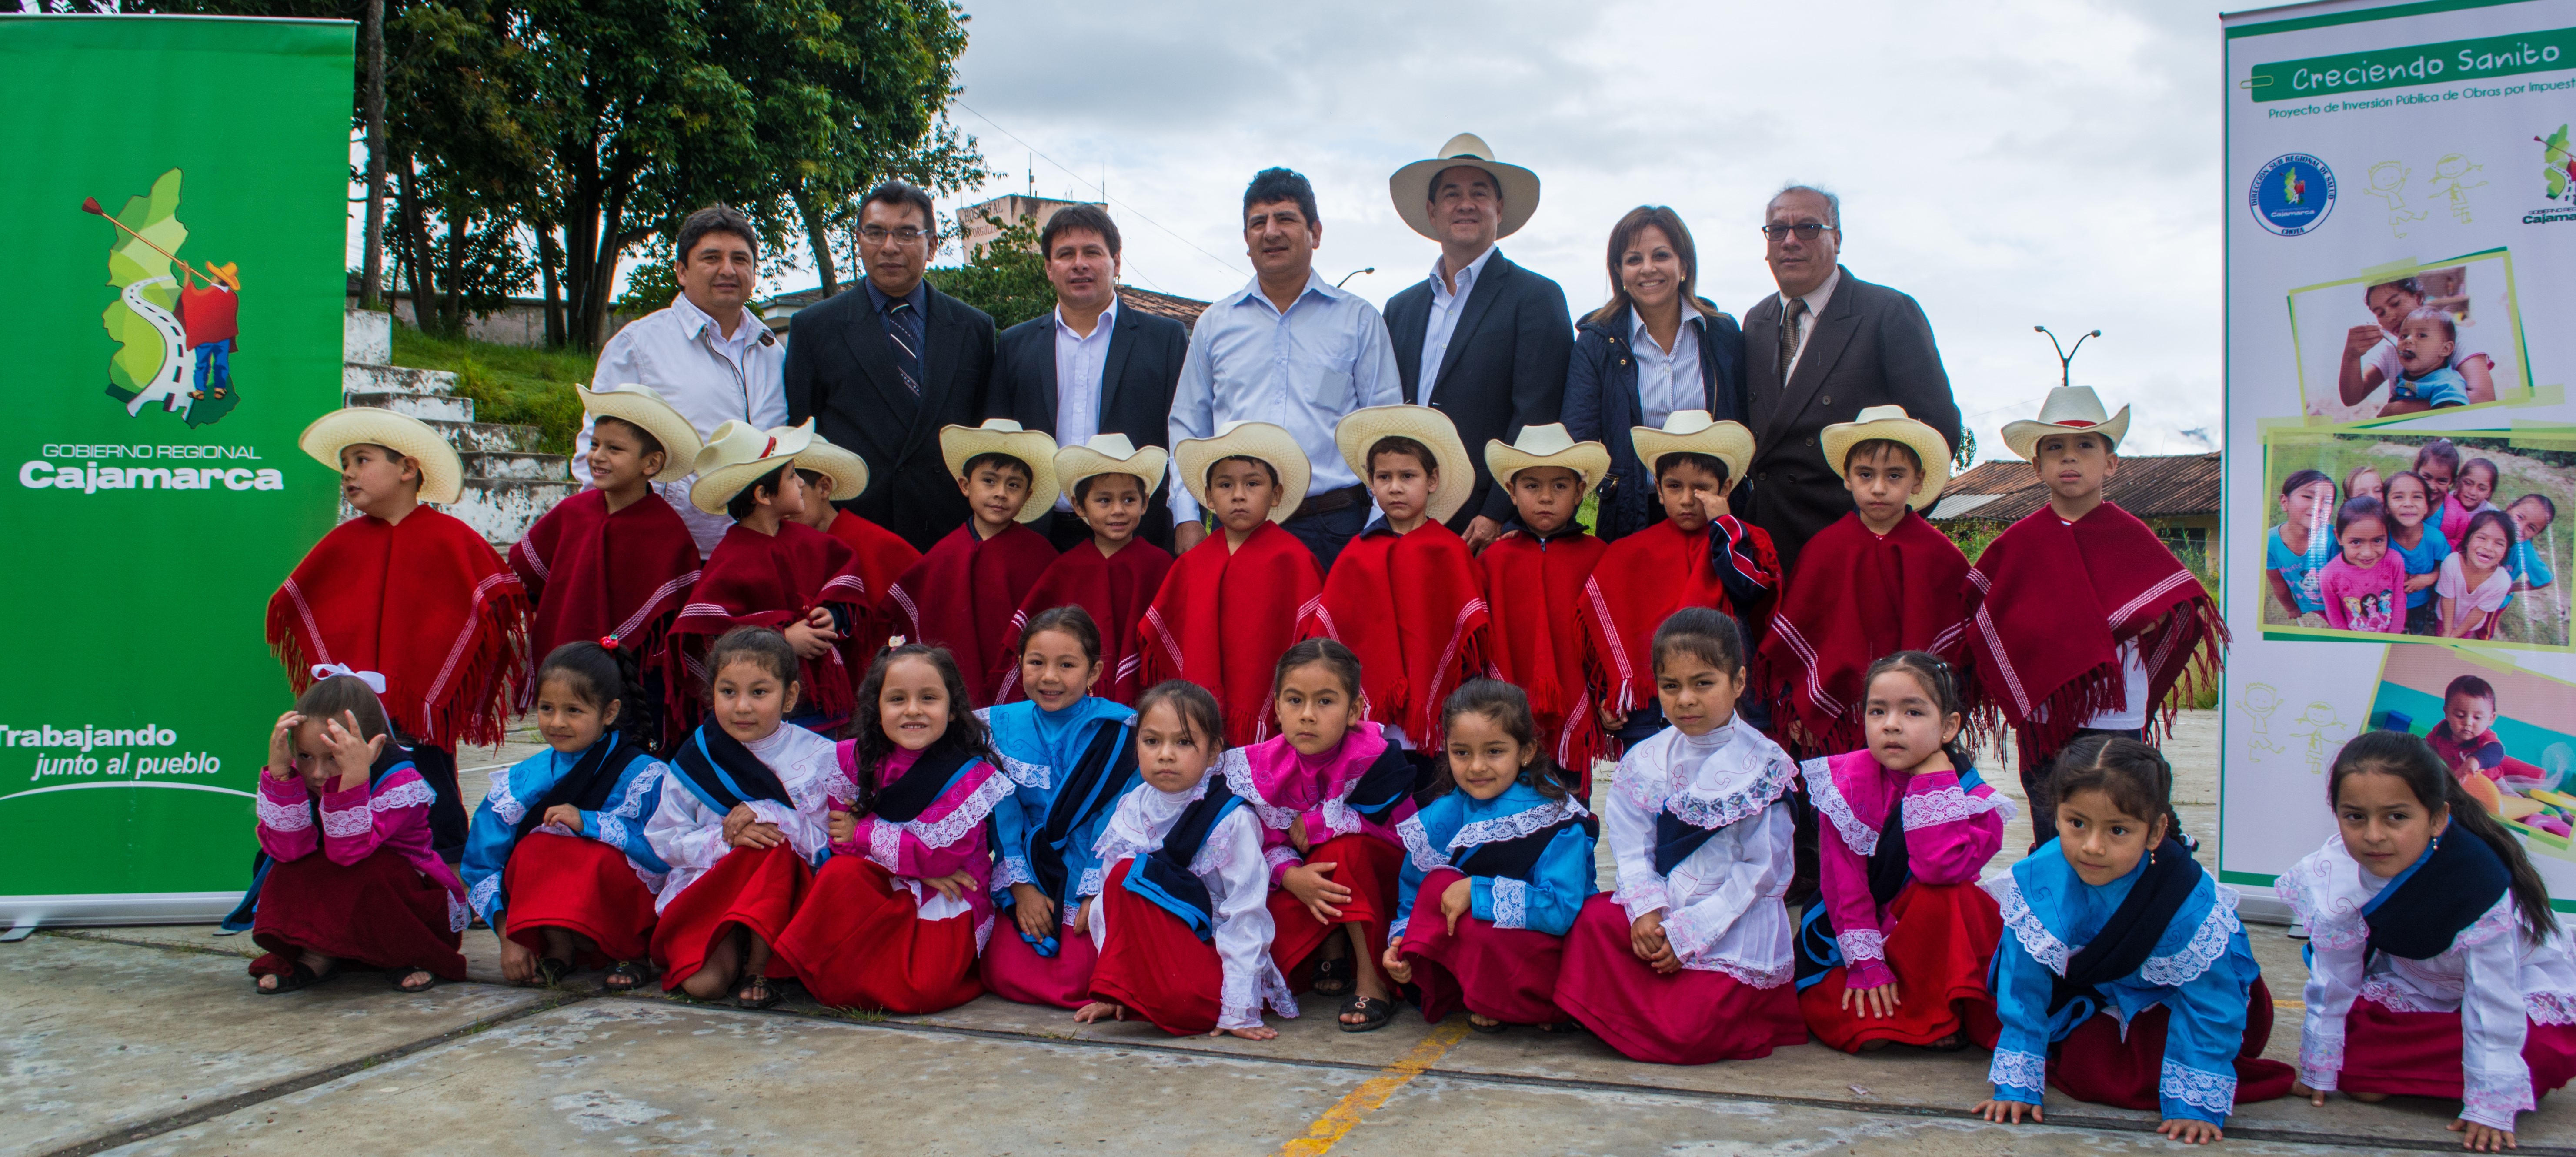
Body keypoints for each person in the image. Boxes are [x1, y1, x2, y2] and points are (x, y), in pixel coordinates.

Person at [1975, 736, 2294, 1144]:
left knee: (2138, 1070)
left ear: (2156, 830)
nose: (2093, 846)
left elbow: (2213, 1002)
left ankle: (2201, 1082)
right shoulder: (2039, 880)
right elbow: (2022, 987)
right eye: (2077, 824)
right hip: (2100, 997)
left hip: (2194, 1001)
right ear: (2054, 815)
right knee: (2084, 1066)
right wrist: (2016, 1087)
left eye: (2119, 830)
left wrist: (2194, 1107)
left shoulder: (2188, 899)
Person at [1960, 388, 2224, 843]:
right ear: (2036, 466)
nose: (2069, 458)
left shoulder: (2130, 536)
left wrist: (2148, 620)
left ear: (2110, 463)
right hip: (2043, 705)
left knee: (2120, 802)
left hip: (2115, 707)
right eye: (2054, 448)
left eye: (2085, 446)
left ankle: (2139, 883)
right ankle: (2055, 897)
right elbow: (1986, 618)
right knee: (2051, 809)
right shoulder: (2019, 544)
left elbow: (2178, 605)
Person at [267, 408, 528, 863]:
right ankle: (335, 855)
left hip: (421, 718)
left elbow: (489, 610)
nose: (348, 473)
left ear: (408, 468)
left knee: (431, 792)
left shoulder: (451, 540)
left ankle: (445, 870)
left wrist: (435, 682)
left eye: (362, 460)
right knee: (338, 784)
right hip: (349, 716)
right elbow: (296, 603)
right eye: (345, 463)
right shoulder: (341, 543)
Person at [1552, 608, 1808, 1064]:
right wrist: (1647, 912)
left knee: (1690, 1029)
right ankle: (1641, 1003)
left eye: (1703, 683)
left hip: (1728, 922)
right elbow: (1631, 847)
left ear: (1738, 680)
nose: (1685, 699)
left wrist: (1688, 933)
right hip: (1665, 906)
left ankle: (1637, 1012)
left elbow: (1760, 873)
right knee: (1592, 920)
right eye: (1671, 686)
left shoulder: (1763, 766)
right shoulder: (1644, 760)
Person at [1167, 167, 1402, 571]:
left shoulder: (1358, 321)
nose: (1271, 232)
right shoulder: (1215, 325)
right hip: (1239, 529)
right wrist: (1187, 517)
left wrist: (1379, 527)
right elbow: (1188, 425)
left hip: (1335, 528)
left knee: (1332, 637)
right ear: (1246, 240)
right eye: (1258, 223)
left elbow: (1386, 427)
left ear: (1316, 233)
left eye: (1285, 219)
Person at [1736, 184, 1962, 575]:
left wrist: (1891, 530)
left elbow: (1938, 431)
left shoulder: (1887, 312)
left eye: (1807, 227)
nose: (1790, 241)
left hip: (1854, 548)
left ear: (1836, 239)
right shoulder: (1756, 321)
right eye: (1777, 230)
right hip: (1770, 547)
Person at [772, 644, 1009, 1014]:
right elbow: (841, 841)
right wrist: (915, 866)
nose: (913, 710)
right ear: (877, 707)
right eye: (898, 699)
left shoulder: (969, 775)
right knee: (839, 874)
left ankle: (870, 977)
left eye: (928, 698)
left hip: (948, 894)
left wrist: (865, 832)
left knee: (923, 990)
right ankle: (846, 975)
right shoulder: (852, 758)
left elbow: (944, 858)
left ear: (952, 706)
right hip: (891, 880)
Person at [1793, 653, 2009, 1053]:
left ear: (1948, 727)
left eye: (1912, 712)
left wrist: (1934, 783)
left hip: (1925, 940)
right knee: (1863, 1026)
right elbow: (1845, 889)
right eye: (1878, 711)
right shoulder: (1845, 788)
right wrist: (1868, 966)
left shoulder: (1976, 801)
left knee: (1952, 897)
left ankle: (1933, 1010)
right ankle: (1928, 1013)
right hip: (1856, 933)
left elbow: (1939, 868)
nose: (1891, 724)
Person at [1379, 134, 1572, 548]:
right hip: (1410, 516)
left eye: (1479, 193)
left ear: (1498, 209)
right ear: (1432, 211)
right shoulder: (1401, 309)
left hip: (1487, 527)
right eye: (1452, 194)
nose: (1465, 204)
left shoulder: (1536, 298)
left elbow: (1537, 415)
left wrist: (1497, 512)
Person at [786, 181, 998, 551]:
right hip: (854, 530)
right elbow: (801, 434)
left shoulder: (974, 329)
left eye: (905, 233)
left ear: (931, 245)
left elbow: (985, 431)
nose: (889, 247)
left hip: (949, 530)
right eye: (876, 233)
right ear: (859, 239)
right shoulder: (815, 328)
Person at [1081, 680, 1297, 1039]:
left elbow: (1245, 911)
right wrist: (1114, 983)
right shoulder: (1131, 808)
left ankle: (1199, 1003)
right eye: (1152, 742)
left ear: (1213, 752)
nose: (1165, 754)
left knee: (1187, 1005)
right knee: (1119, 880)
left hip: (1206, 952)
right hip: (1156, 954)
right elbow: (1112, 908)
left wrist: (1238, 1009)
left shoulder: (1229, 817)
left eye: (1183, 742)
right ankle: (1127, 992)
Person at [1383, 680, 1595, 1032]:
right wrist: (1403, 941)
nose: (1477, 767)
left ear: (1525, 752)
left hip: (1537, 949)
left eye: (1494, 752)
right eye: (1462, 753)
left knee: (1479, 926)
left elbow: (1560, 910)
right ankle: (1478, 994)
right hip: (1477, 949)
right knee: (1438, 884)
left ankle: (1534, 1005)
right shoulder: (1442, 816)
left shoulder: (1555, 819)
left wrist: (1477, 893)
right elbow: (1413, 895)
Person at [1230, 640, 1418, 1032]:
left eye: (1325, 702)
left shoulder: (1375, 757)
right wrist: (1291, 877)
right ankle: (1330, 947)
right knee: (1260, 961)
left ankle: (1373, 980)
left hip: (1384, 884)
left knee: (1343, 849)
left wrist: (1321, 824)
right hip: (1309, 885)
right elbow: (1264, 842)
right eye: (1295, 701)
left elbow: (1405, 837)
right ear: (1278, 709)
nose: (1308, 716)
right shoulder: (1266, 765)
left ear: (1353, 711)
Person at [460, 642, 671, 993]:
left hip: (616, 914)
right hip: (549, 919)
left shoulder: (645, 776)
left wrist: (590, 824)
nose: (557, 723)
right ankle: (558, 948)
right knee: (534, 848)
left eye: (574, 710)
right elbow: (482, 863)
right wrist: (509, 934)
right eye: (547, 708)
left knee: (600, 856)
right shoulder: (522, 781)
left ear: (609, 712)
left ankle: (630, 954)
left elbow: (667, 855)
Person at [644, 627, 838, 1007]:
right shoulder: (697, 757)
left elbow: (829, 844)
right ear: (711, 692)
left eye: (759, 692)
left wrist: (772, 816)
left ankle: (761, 964)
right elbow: (665, 840)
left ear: (790, 696)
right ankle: (733, 937)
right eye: (728, 692)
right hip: (712, 888)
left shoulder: (819, 758)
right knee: (705, 985)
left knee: (771, 847)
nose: (742, 707)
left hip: (784, 899)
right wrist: (726, 839)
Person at [1755, 406, 1964, 758]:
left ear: (1918, 479)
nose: (1879, 488)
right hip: (1837, 727)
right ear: (1847, 478)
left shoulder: (1940, 556)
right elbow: (1803, 634)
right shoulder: (1824, 550)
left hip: (1916, 726)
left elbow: (1956, 648)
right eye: (1865, 475)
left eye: (1894, 476)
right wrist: (1799, 703)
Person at [581, 205, 786, 557]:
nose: (727, 270)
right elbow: (597, 452)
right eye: (711, 258)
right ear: (681, 271)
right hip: (667, 552)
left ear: (754, 273)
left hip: (759, 549)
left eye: (740, 259)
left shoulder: (773, 351)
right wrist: (602, 543)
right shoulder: (639, 346)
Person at [247, 673, 469, 994]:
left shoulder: (400, 783)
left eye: (334, 758)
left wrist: (351, 781)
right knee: (286, 866)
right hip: (340, 897)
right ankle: (316, 953)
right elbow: (288, 849)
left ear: (374, 748)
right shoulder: (304, 776)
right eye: (305, 756)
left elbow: (348, 851)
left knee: (371, 870)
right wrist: (281, 774)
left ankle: (405, 955)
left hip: (401, 904)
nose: (317, 774)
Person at [987, 203, 1189, 552]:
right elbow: (997, 444)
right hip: (1038, 538)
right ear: (1049, 268)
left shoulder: (1165, 339)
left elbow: (1183, 441)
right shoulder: (1015, 344)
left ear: (1117, 263)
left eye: (1092, 252)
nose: (1079, 263)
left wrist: (1186, 521)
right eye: (1066, 254)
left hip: (1137, 538)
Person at [511, 384, 704, 739]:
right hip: (566, 670)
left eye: (614, 449)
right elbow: (531, 581)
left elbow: (670, 625)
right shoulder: (572, 514)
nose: (597, 456)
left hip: (634, 682)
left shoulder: (667, 532)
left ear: (651, 463)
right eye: (595, 445)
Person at [1578, 412, 1779, 752]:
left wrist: (1723, 527)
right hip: (1651, 709)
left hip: (1733, 701)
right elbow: (1608, 634)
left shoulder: (1745, 540)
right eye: (1674, 486)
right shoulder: (1629, 554)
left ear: (1725, 488)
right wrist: (1608, 694)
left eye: (1701, 487)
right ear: (1658, 489)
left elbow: (1748, 589)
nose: (1687, 499)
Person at [661, 421, 870, 739]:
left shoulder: (810, 543)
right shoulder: (732, 557)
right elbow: (711, 633)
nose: (801, 483)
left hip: (824, 703)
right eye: (791, 476)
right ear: (762, 494)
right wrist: (783, 640)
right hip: (762, 713)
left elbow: (845, 587)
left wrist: (834, 615)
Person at [1298, 405, 1490, 751]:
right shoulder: (1357, 554)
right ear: (1370, 484)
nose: (1395, 487)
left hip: (1440, 714)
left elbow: (1468, 638)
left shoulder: (1449, 552)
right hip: (1371, 717)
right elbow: (1334, 635)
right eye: (1384, 477)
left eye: (1408, 476)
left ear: (1432, 480)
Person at [978, 608, 1141, 1010]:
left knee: (1079, 974)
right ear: (1020, 666)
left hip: (1091, 863)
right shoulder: (998, 727)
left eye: (1067, 665)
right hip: (1027, 864)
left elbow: (1116, 820)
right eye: (1036, 663)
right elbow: (1003, 811)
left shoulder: (1120, 732)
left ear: (1094, 671)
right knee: (1001, 969)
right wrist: (1022, 887)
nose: (1049, 677)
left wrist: (1091, 894)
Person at [1561, 206, 1747, 542]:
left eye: (1661, 255)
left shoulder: (1722, 333)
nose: (1648, 269)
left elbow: (1742, 424)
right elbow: (1580, 438)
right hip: (1633, 514)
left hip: (1715, 512)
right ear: (1619, 271)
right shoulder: (1596, 342)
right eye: (1634, 260)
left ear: (1684, 265)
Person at [1137, 421, 1327, 746]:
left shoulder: (1293, 560)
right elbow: (1161, 636)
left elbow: (1313, 643)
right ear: (1209, 497)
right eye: (1225, 485)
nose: (1239, 495)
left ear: (1276, 494)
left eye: (1253, 484)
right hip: (1197, 714)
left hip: (1271, 725)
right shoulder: (1191, 564)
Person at [882, 419, 1062, 707]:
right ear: (965, 485)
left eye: (1013, 485)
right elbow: (907, 616)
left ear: (1027, 496)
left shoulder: (1041, 557)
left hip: (1021, 702)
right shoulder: (943, 555)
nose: (1001, 493)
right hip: (951, 697)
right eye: (989, 481)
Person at [1477, 424, 1612, 784]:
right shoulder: (1496, 560)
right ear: (1511, 491)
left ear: (1581, 491)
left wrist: (1607, 695)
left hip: (1575, 699)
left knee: (1570, 802)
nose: (1546, 498)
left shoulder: (1598, 557)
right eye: (1532, 486)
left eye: (1560, 486)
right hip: (1507, 706)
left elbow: (1607, 640)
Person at [996, 435, 1175, 706]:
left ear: (1145, 503)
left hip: (1144, 702)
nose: (1118, 510)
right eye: (1104, 500)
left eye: (1129, 500)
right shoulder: (1065, 567)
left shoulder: (1159, 566)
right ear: (1079, 506)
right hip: (1068, 698)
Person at [784, 434, 921, 655]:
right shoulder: (780, 549)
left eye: (798, 493)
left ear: (824, 488)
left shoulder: (879, 546)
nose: (786, 508)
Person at [2337, 277, 2497, 412]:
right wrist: (2352, 355)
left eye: (2395, 303)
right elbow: (2352, 398)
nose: (2390, 317)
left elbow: (2484, 400)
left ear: (2418, 298)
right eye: (2380, 313)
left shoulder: (2459, 337)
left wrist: (2398, 410)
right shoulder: (2393, 348)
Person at [2319, 497, 2405, 634]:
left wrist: (2394, 637)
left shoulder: (2394, 561)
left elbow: (2400, 600)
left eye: (2378, 541)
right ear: (2339, 537)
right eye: (2356, 542)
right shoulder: (2328, 576)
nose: (2368, 553)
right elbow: (2334, 615)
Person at [2382, 471, 2451, 635]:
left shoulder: (2435, 539)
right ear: (2386, 507)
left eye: (2417, 497)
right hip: (2388, 602)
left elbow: (2448, 567)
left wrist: (2428, 579)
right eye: (2399, 497)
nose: (2408, 504)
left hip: (2420, 600)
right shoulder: (2381, 538)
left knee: (2418, 626)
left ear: (2427, 506)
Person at [2265, 469, 2337, 625]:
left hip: (2339, 608)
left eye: (2326, 501)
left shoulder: (2333, 538)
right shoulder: (2269, 542)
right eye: (2308, 497)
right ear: (2285, 502)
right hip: (2308, 611)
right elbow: (2279, 585)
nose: (2317, 506)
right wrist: (2291, 608)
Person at [2428, 675, 2509, 812]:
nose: (2468, 723)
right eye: (2460, 715)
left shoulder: (2485, 737)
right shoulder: (2441, 730)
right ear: (2446, 713)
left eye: (2477, 718)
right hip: (2457, 782)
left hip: (2492, 783)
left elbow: (2496, 751)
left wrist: (2475, 760)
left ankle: (2534, 813)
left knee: (2508, 804)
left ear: (2491, 719)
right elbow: (2427, 747)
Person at [2438, 511, 2518, 640]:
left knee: (2455, 648)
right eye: (2482, 538)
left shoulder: (2502, 582)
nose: (2488, 547)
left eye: (2499, 543)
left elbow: (2479, 612)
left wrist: (2456, 634)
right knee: (2440, 638)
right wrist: (2447, 632)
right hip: (2445, 617)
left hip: (2469, 626)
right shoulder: (2452, 562)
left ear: (2506, 551)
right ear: (2468, 540)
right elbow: (2448, 599)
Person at [2442, 457, 2504, 548]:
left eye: (2482, 489)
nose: (2472, 492)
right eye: (2468, 483)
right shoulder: (2445, 500)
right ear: (2458, 481)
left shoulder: (2491, 514)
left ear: (2489, 493)